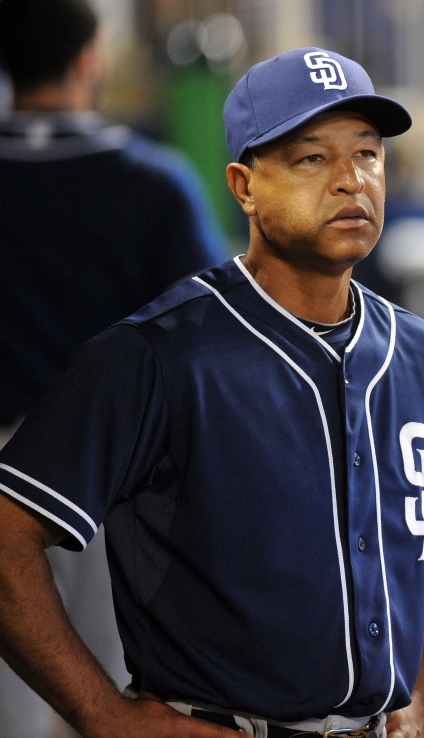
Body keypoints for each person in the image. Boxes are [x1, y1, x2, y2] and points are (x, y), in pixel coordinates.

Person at [0, 45, 424, 738]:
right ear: (244, 186)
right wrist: (101, 714)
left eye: (367, 154)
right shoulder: (156, 357)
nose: (349, 180)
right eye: (310, 158)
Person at [0, 0, 226, 735]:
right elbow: (213, 331)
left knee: (12, 700)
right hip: (102, 474)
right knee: (116, 692)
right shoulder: (149, 181)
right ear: (90, 59)